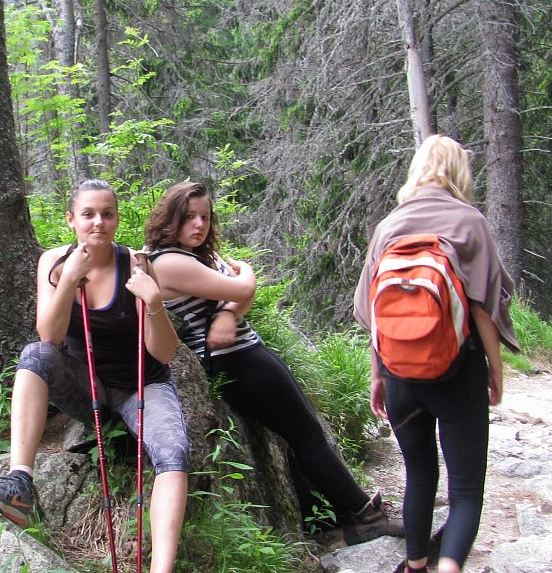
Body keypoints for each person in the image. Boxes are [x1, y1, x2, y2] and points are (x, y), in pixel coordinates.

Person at [0, 180, 189, 573]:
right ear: (71, 219)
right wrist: (69, 279)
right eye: (88, 214)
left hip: (143, 384)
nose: (98, 222)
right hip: (86, 385)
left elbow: (165, 354)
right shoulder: (53, 262)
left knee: (173, 453)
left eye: (107, 213)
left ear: (117, 218)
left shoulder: (138, 264)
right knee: (34, 356)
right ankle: (20, 483)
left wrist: (153, 302)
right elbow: (49, 336)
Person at [144, 181, 403, 547]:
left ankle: (336, 514)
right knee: (306, 434)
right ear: (170, 218)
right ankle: (364, 518)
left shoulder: (192, 255)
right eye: (188, 217)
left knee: (301, 434)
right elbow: (243, 288)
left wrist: (229, 314)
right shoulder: (170, 262)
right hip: (234, 361)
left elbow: (238, 299)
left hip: (242, 354)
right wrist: (246, 274)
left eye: (205, 216)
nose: (199, 225)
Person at [353, 134, 518, 573]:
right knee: (466, 489)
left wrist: (379, 376)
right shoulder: (470, 223)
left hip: (401, 376)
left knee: (419, 474)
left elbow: (373, 313)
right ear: (458, 172)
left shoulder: (389, 226)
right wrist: (495, 369)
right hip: (457, 372)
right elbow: (484, 308)